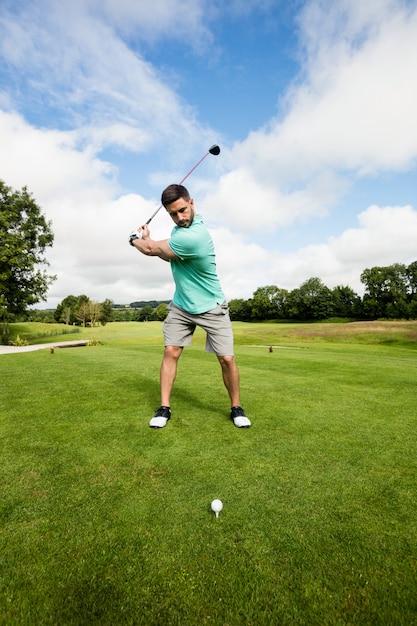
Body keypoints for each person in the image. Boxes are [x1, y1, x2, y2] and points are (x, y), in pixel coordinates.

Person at [129, 184, 251, 429]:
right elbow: (163, 252)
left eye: (183, 210)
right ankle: (164, 407)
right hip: (182, 305)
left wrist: (134, 240)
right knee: (170, 352)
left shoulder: (195, 236)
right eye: (173, 214)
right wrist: (149, 240)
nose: (180, 217)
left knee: (227, 358)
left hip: (211, 305)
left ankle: (236, 407)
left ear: (192, 202)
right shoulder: (181, 233)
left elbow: (154, 251)